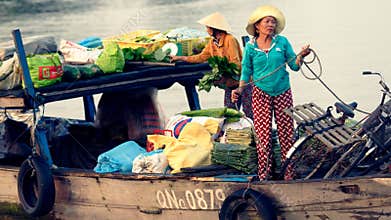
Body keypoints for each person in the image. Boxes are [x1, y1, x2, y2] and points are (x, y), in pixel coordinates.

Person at [231, 5, 310, 180]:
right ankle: (264, 175)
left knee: (286, 135)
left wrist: (301, 55)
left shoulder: (282, 42)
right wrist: (239, 89)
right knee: (263, 138)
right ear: (257, 26)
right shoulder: (250, 48)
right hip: (260, 94)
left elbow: (295, 66)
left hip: (282, 92)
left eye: (273, 22)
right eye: (267, 21)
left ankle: (289, 174)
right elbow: (246, 71)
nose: (271, 25)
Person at [171, 12, 253, 119]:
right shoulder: (212, 43)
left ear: (214, 28)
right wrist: (180, 58)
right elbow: (200, 57)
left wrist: (222, 75)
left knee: (250, 112)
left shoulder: (230, 40)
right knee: (229, 113)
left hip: (243, 82)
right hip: (230, 84)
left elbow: (235, 63)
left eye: (208, 27)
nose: (206, 30)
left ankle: (256, 134)